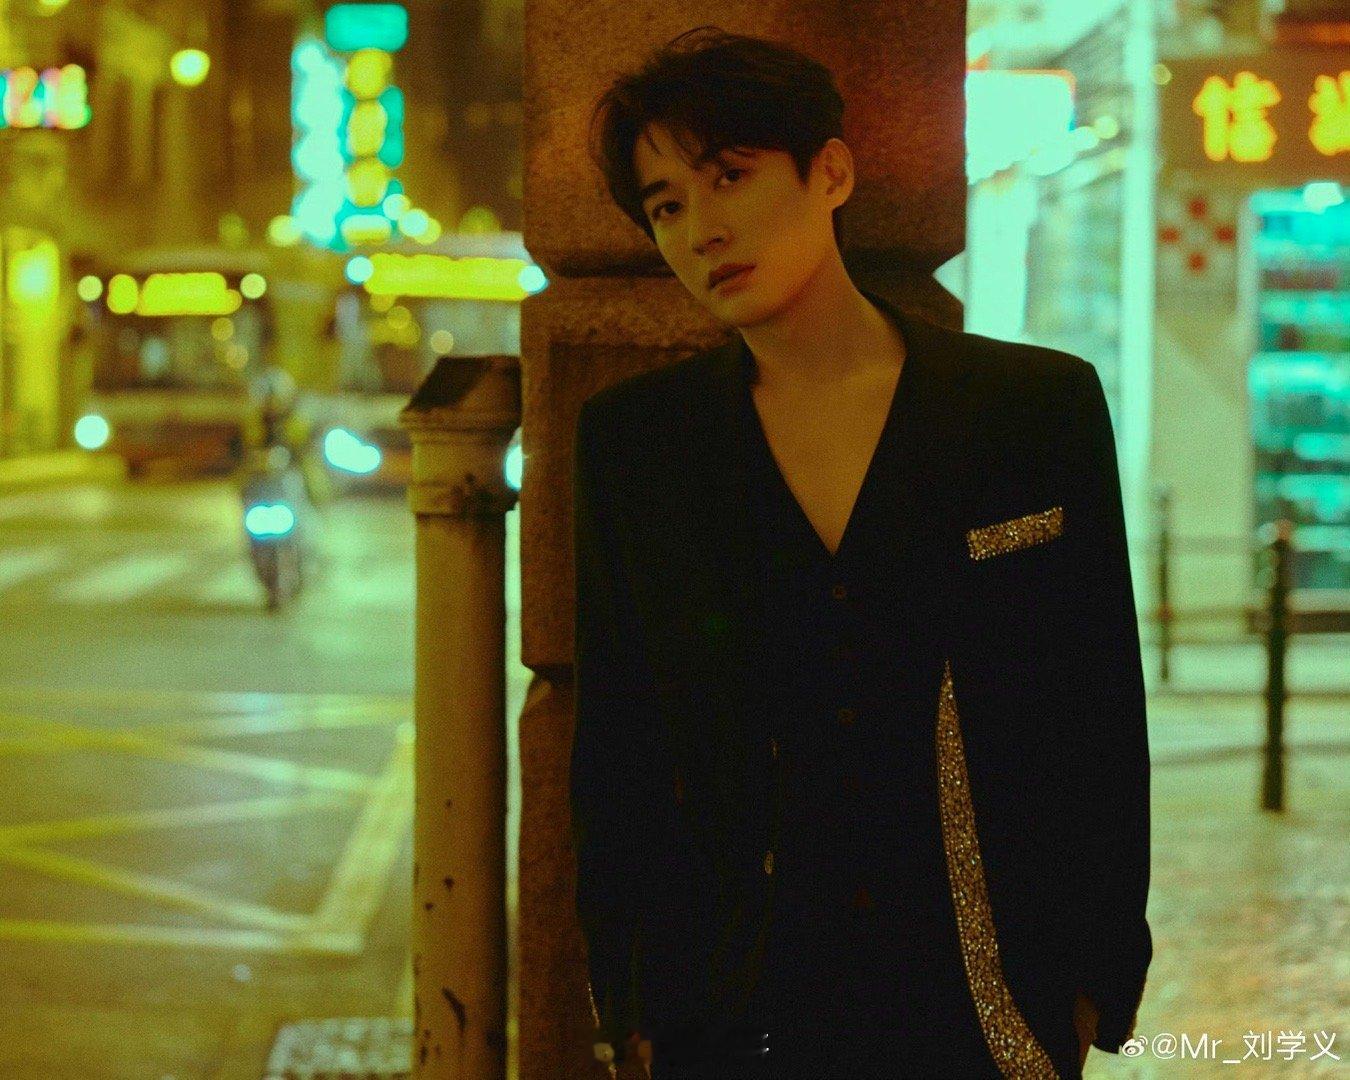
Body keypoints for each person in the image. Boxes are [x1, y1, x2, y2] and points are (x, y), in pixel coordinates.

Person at [571, 27, 1152, 1080]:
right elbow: (619, 744)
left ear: (829, 173)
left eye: (730, 176)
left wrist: (1093, 975)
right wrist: (631, 1003)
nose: (703, 229)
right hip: (737, 1008)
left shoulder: (1033, 410)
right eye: (666, 206)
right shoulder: (639, 446)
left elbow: (1098, 708)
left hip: (985, 997)